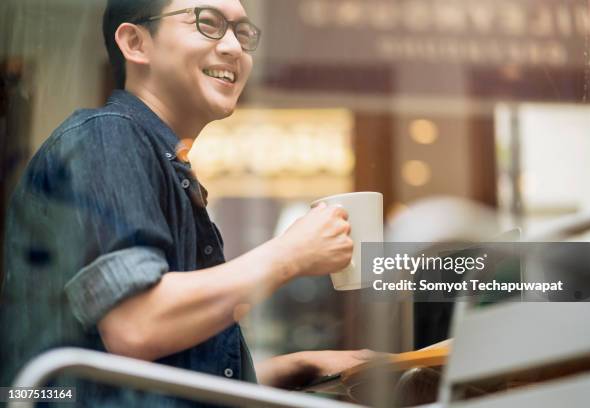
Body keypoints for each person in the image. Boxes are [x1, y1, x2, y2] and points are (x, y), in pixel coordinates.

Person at [0, 0, 375, 406]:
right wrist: (292, 254)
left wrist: (297, 366)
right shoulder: (107, 137)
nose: (234, 47)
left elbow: (155, 376)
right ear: (135, 42)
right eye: (208, 23)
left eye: (242, 32)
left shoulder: (159, 159)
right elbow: (137, 325)